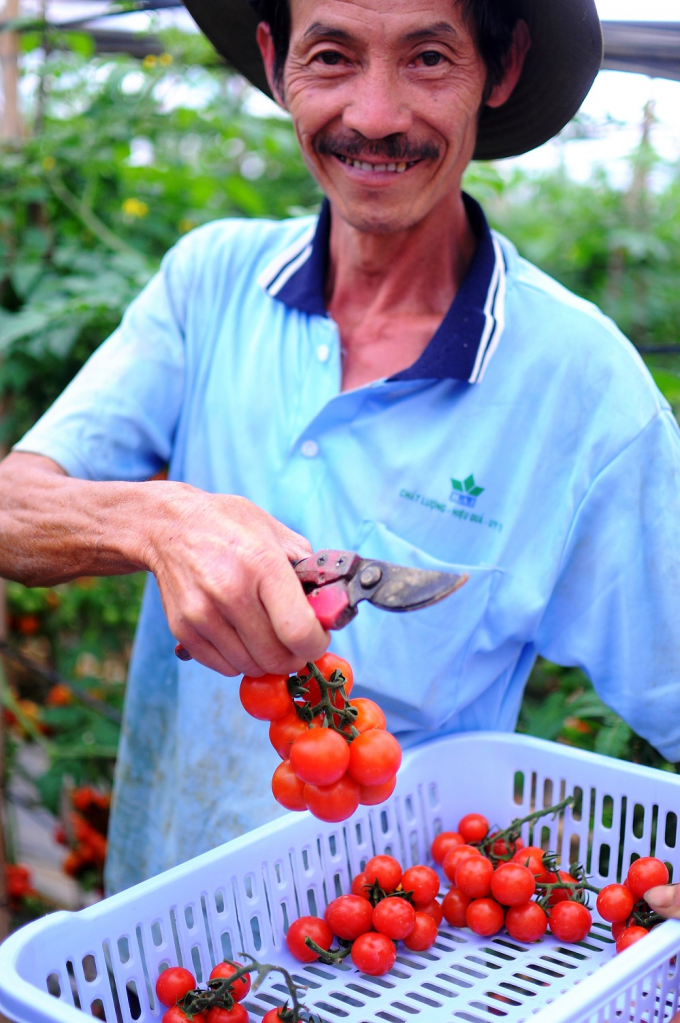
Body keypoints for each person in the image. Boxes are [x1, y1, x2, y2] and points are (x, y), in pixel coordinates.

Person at [1, 0, 680, 902]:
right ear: (277, 61)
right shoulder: (212, 283)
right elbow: (14, 508)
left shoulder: (583, 389)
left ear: (502, 66)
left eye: (429, 58)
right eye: (331, 55)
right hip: (158, 937)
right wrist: (160, 518)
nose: (373, 115)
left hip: (401, 961)